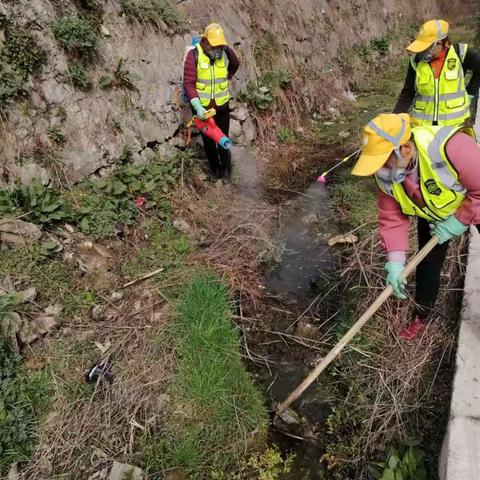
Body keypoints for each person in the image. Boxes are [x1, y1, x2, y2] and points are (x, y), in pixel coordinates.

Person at [351, 112, 480, 340]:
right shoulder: (389, 177)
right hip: (434, 214)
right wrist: (395, 262)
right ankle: (422, 316)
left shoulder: (453, 146)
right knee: (428, 264)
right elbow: (392, 218)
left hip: (472, 201)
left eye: (383, 162)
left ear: (406, 149)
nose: (380, 172)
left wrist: (459, 220)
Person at [393, 19, 480, 126]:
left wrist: (470, 93)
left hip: (454, 126)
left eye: (426, 48)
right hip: (423, 127)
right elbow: (408, 92)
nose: (421, 52)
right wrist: (394, 118)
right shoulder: (416, 61)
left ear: (440, 43)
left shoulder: (461, 54)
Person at [183, 23, 240, 179]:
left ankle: (227, 174)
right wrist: (197, 106)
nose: (217, 49)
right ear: (206, 41)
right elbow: (189, 83)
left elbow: (235, 63)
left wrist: (227, 76)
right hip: (203, 108)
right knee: (209, 142)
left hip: (221, 106)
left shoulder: (223, 50)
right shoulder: (193, 55)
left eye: (220, 45)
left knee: (223, 139)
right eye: (215, 45)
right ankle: (215, 171)